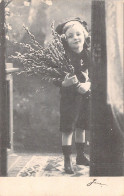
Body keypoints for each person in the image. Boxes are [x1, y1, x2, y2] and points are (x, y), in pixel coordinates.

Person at [55, 18, 91, 174]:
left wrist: (88, 84)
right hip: (69, 98)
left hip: (84, 95)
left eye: (78, 34)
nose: (75, 38)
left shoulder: (88, 54)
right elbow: (55, 77)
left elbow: (95, 74)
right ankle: (67, 160)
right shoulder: (63, 57)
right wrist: (64, 83)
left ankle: (81, 155)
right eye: (70, 36)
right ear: (66, 41)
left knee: (81, 126)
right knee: (68, 128)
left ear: (84, 35)